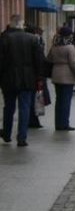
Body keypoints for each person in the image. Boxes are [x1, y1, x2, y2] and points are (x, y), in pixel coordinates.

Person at [1, 15, 43, 147]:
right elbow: (39, 61)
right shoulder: (32, 39)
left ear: (11, 24)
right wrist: (39, 78)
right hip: (27, 79)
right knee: (24, 107)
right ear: (22, 25)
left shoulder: (4, 39)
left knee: (9, 107)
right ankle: (22, 137)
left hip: (8, 79)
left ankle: (7, 134)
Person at [47, 26, 75, 131]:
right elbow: (74, 63)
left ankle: (58, 123)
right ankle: (64, 124)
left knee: (59, 101)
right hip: (68, 75)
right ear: (69, 35)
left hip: (56, 74)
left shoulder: (54, 46)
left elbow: (49, 59)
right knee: (66, 101)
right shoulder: (70, 47)